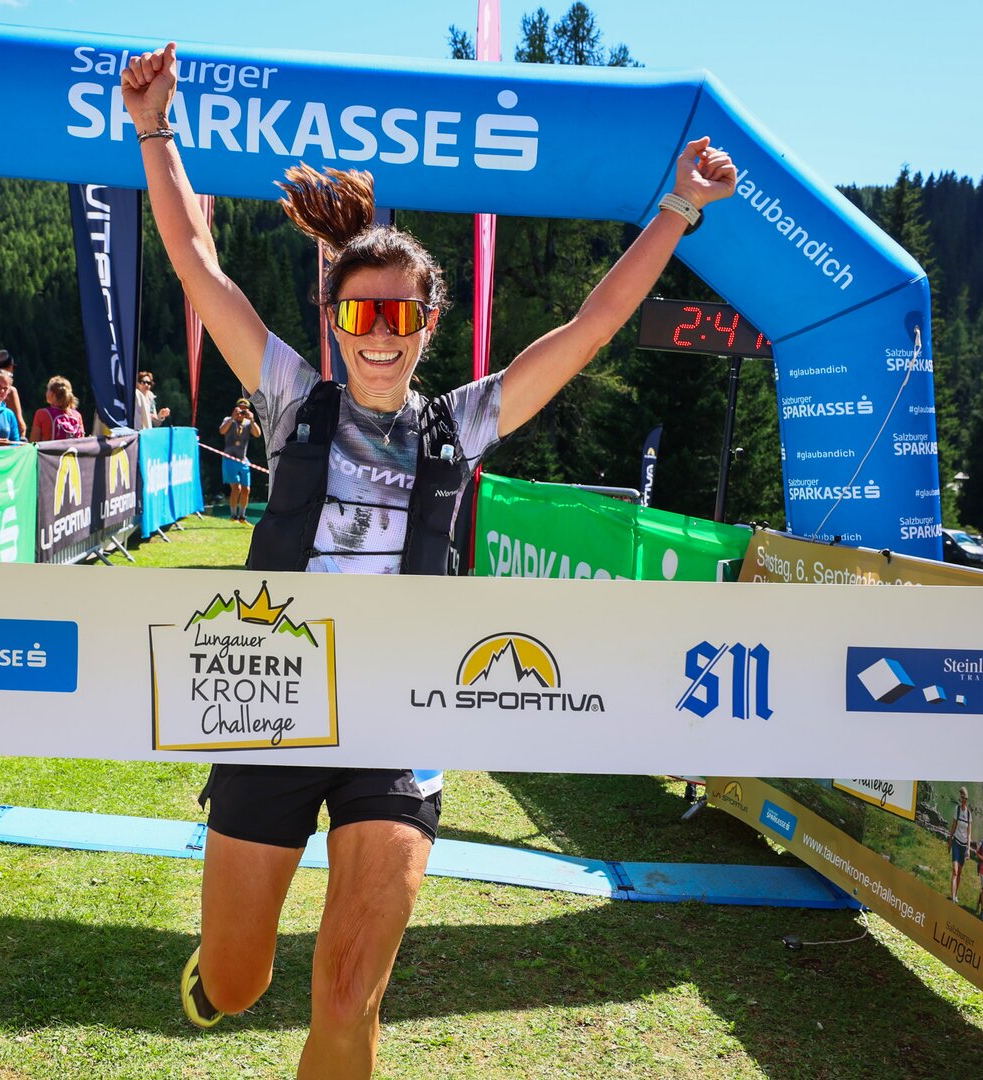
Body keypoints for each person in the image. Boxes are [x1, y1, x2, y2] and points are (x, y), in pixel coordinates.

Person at [121, 42, 736, 1076]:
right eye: (361, 313)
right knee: (240, 981)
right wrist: (154, 128)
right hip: (273, 702)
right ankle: (219, 978)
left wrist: (678, 208)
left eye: (402, 316)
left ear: (428, 324)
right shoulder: (293, 400)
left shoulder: (461, 422)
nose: (380, 335)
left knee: (348, 996)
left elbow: (589, 328)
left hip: (403, 721)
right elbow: (197, 265)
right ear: (334, 319)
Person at [218, 398, 261, 523]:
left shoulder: (248, 423)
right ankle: (233, 516)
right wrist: (233, 417)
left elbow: (257, 434)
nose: (242, 412)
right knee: (236, 488)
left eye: (245, 409)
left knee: (246, 489)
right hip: (229, 458)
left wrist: (252, 420)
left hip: (243, 459)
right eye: (240, 408)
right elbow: (222, 430)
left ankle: (242, 516)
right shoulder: (228, 420)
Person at [29, 376, 85, 442]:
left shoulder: (42, 414)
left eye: (48, 389)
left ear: (51, 394)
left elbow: (34, 443)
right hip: (73, 449)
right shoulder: (77, 415)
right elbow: (82, 441)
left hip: (50, 449)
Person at [949, 787, 974, 903]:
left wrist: (968, 849)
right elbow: (953, 826)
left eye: (965, 798)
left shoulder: (968, 814)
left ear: (967, 800)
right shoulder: (957, 810)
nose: (964, 800)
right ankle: (953, 898)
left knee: (959, 872)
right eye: (962, 798)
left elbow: (969, 834)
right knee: (954, 871)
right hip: (956, 842)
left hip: (963, 846)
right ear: (960, 798)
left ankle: (956, 894)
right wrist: (950, 840)